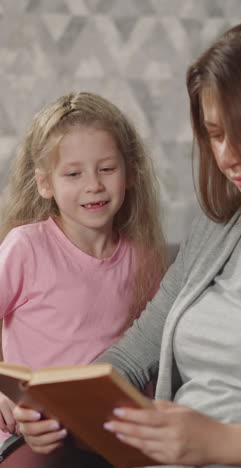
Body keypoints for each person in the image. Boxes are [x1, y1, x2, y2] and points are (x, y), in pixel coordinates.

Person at [14, 21, 241, 468]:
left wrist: (220, 442)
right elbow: (136, 351)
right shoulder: (219, 226)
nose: (226, 157)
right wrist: (60, 408)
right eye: (215, 134)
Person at [0, 91, 167, 446]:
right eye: (73, 173)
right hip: (30, 433)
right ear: (45, 183)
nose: (93, 184)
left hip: (110, 436)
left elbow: (155, 354)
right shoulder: (26, 247)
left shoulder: (145, 260)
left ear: (130, 173)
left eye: (106, 169)